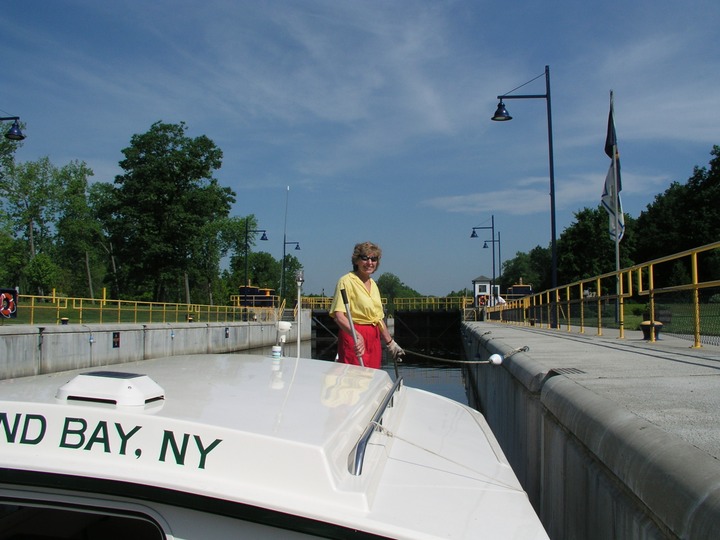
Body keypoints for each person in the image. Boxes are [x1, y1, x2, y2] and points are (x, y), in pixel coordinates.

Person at [329, 241, 405, 369]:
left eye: (373, 259)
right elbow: (339, 316)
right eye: (365, 258)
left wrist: (390, 343)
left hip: (373, 338)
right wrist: (357, 336)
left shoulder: (374, 285)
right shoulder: (346, 281)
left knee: (373, 377)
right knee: (354, 379)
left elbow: (378, 318)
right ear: (356, 261)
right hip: (354, 335)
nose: (370, 262)